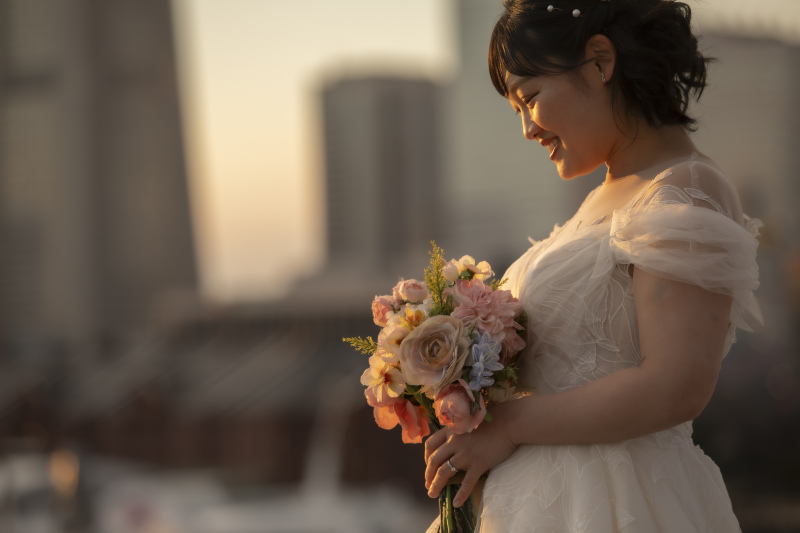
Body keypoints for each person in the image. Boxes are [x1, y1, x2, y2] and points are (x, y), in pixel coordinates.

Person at [423, 0, 762, 531]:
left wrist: (508, 426)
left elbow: (675, 386)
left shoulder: (686, 189)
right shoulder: (604, 196)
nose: (527, 130)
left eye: (529, 99)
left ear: (600, 62)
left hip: (615, 501)